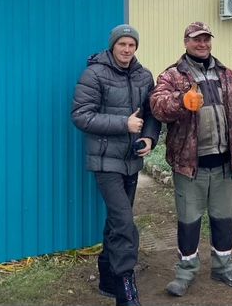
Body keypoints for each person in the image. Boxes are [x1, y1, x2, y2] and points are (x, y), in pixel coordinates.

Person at [150, 22, 232, 297]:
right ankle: (185, 272)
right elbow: (158, 105)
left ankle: (223, 267)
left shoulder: (228, 76)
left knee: (223, 219)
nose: (203, 44)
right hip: (189, 166)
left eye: (206, 39)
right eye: (197, 40)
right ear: (186, 42)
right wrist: (181, 100)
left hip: (222, 164)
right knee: (189, 220)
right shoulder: (172, 75)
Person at [71, 24, 161, 306]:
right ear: (113, 46)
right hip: (105, 160)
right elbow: (81, 116)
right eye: (122, 44)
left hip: (131, 161)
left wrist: (149, 137)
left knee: (116, 221)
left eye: (131, 45)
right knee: (124, 222)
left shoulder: (144, 75)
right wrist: (123, 124)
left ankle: (107, 277)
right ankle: (125, 288)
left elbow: (152, 114)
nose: (127, 49)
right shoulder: (95, 73)